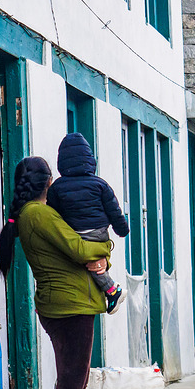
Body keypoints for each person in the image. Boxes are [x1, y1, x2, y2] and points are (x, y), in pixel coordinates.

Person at [0, 156, 114, 389]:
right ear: (49, 183)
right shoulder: (38, 214)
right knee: (70, 386)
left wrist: (99, 257)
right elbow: (79, 248)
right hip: (67, 307)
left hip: (72, 304)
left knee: (76, 383)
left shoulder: (34, 214)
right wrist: (105, 248)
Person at [47, 133, 130, 315]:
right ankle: (111, 291)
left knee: (82, 259)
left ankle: (112, 291)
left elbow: (53, 216)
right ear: (90, 159)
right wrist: (122, 230)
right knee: (92, 263)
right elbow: (114, 211)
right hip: (98, 233)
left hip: (73, 234)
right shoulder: (100, 185)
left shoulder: (56, 188)